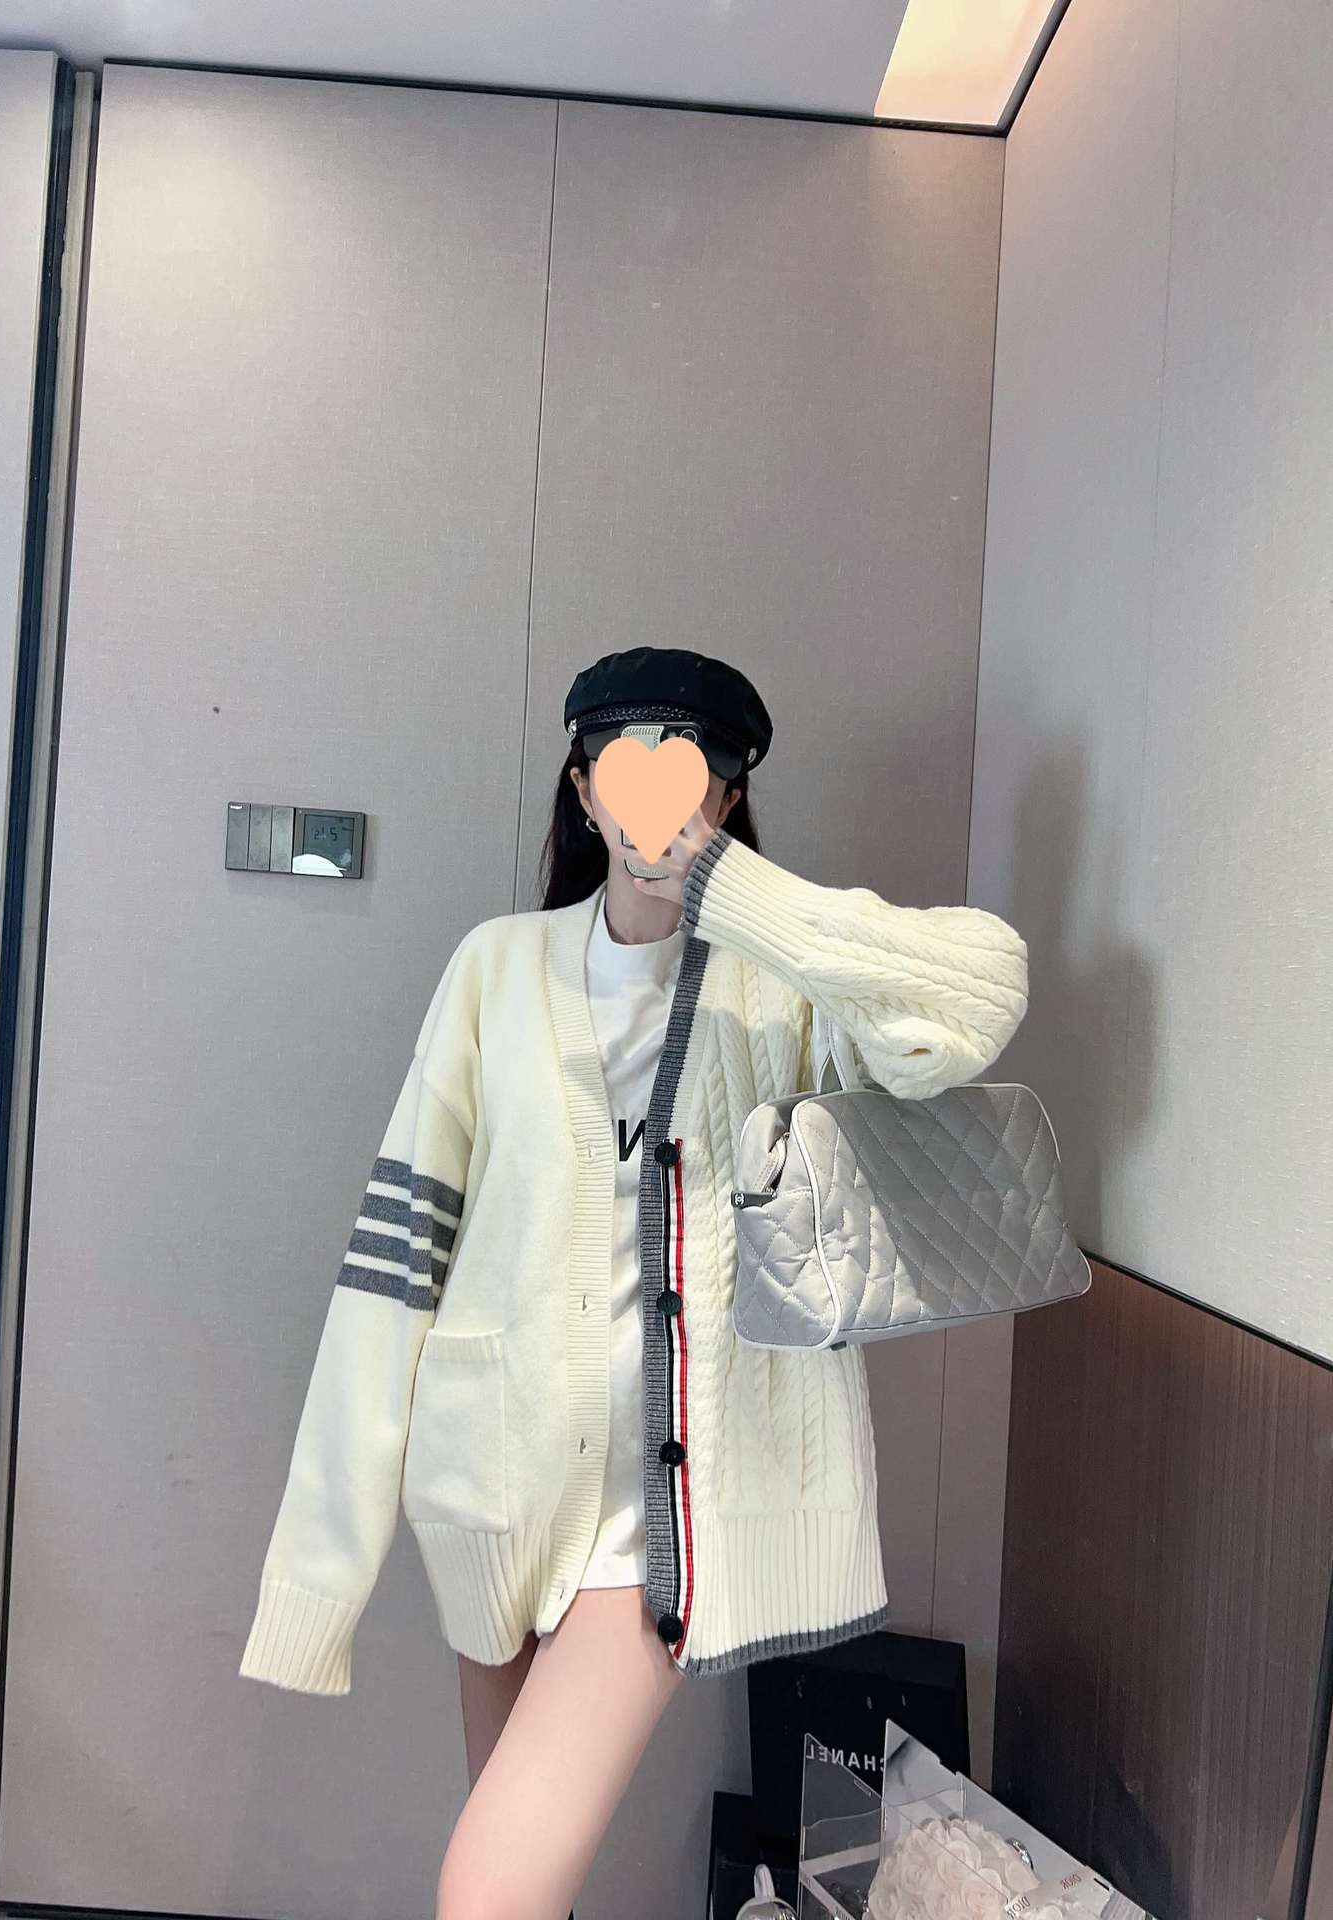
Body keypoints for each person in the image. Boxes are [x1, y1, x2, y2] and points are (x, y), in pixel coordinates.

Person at [237, 646, 1030, 1919]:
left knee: (484, 1896)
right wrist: (319, 1575)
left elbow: (978, 994)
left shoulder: (783, 989)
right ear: (581, 786)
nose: (654, 801)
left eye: (691, 771)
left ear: (730, 793)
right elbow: (395, 1265)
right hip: (490, 1488)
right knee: (522, 1886)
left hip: (663, 1520)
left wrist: (730, 889)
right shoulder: (495, 969)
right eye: (625, 767)